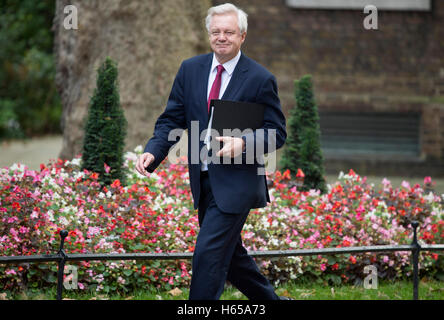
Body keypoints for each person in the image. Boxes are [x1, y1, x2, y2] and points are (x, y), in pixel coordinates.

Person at [136, 3, 287, 300]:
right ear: (208, 34)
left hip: (237, 184)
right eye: (216, 32)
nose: (221, 37)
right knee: (231, 258)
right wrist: (154, 151)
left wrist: (243, 143)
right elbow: (172, 119)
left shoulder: (260, 78)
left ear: (242, 36)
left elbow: (277, 132)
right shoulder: (190, 69)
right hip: (203, 182)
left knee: (207, 255)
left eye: (229, 32)